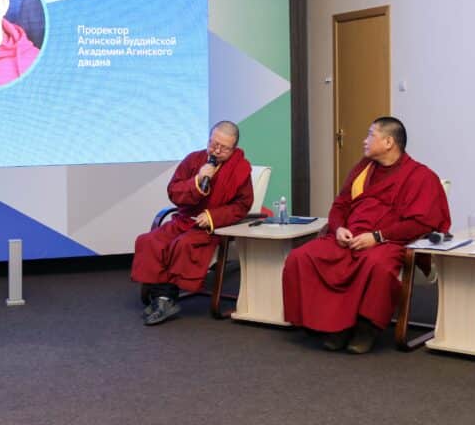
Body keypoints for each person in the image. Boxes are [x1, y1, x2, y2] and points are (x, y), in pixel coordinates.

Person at [282, 117, 450, 353]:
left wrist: (377, 237)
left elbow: (421, 223)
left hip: (388, 241)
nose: (364, 140)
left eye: (371, 135)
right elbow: (340, 204)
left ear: (389, 142)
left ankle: (365, 329)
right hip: (349, 237)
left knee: (376, 265)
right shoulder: (363, 169)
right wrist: (338, 228)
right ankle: (332, 326)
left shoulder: (421, 176)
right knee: (301, 256)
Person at [131, 121, 254, 325]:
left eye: (224, 148)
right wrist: (197, 180)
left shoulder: (240, 168)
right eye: (213, 144)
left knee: (183, 244)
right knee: (149, 240)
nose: (216, 151)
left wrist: (213, 216)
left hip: (211, 227)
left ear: (234, 148)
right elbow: (173, 191)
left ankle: (164, 300)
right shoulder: (194, 160)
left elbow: (242, 205)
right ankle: (163, 299)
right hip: (185, 219)